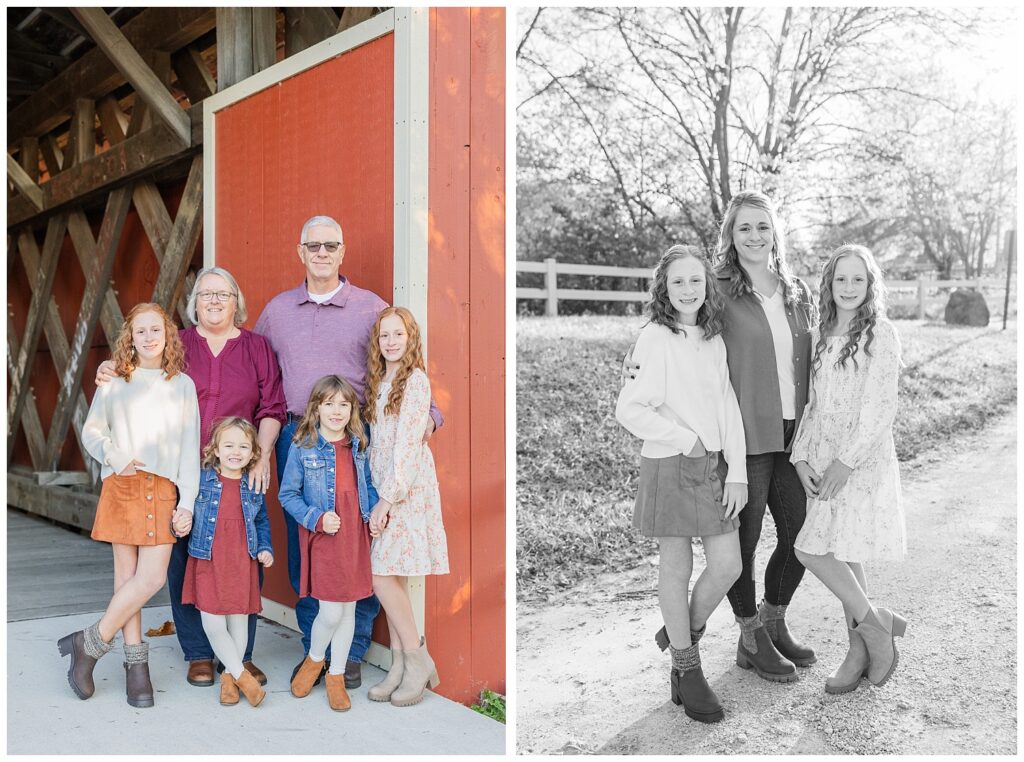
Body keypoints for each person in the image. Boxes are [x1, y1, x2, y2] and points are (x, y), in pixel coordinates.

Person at [625, 191, 817, 681]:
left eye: (763, 227)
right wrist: (635, 363)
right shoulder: (720, 288)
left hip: (795, 432)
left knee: (801, 534)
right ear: (730, 235)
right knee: (741, 544)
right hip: (744, 435)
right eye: (743, 228)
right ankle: (749, 636)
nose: (754, 236)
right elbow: (677, 326)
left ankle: (770, 623)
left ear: (776, 233)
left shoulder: (797, 291)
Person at [254, 215, 443, 689]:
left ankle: (352, 651)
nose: (321, 253)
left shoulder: (369, 309)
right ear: (300, 252)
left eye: (330, 245)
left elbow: (405, 372)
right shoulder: (277, 311)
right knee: (309, 545)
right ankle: (313, 652)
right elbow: (257, 373)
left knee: (360, 549)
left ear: (342, 252)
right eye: (312, 245)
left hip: (357, 440)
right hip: (301, 437)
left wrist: (428, 420)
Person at [95, 267, 286, 689]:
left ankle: (240, 655)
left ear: (237, 301)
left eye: (223, 294)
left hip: (239, 467)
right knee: (185, 559)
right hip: (182, 468)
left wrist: (262, 456)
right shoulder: (176, 343)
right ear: (193, 304)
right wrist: (110, 367)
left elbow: (272, 407)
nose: (214, 301)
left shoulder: (257, 348)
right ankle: (199, 652)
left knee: (243, 557)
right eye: (205, 295)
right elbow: (137, 369)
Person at [616, 246, 747, 723]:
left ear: (707, 285)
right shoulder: (654, 337)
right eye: (678, 282)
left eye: (696, 280)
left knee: (727, 565)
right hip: (671, 463)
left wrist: (737, 471)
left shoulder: (713, 338)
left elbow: (728, 403)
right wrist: (685, 439)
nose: (688, 289)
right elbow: (629, 409)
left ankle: (681, 633)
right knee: (675, 566)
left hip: (713, 466)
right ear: (663, 288)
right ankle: (688, 670)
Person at [59, 303, 200, 708]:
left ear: (168, 335)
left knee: (150, 578)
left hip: (164, 487)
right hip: (123, 483)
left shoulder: (182, 385)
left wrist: (186, 502)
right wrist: (116, 456)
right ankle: (136, 667)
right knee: (128, 580)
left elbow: (190, 448)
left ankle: (88, 643)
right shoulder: (116, 380)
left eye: (157, 330)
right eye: (141, 331)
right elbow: (92, 431)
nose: (150, 337)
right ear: (131, 338)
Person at [790, 244, 907, 693]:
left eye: (859, 279)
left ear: (870, 284)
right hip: (822, 455)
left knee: (812, 550)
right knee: (842, 551)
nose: (850, 287)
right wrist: (801, 456)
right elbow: (813, 406)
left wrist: (845, 462)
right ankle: (861, 646)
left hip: (860, 460)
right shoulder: (820, 335)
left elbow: (880, 410)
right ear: (830, 283)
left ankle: (874, 628)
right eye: (842, 279)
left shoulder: (880, 333)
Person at [365, 307, 449, 707]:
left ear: (411, 338)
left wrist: (386, 498)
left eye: (398, 334)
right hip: (385, 485)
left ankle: (417, 658)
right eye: (384, 336)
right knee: (391, 574)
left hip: (406, 488)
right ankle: (399, 665)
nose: (391, 342)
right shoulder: (380, 381)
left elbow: (406, 447)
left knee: (380, 575)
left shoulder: (415, 382)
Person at [281, 376, 376, 712]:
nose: (336, 411)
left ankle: (336, 675)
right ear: (316, 408)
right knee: (331, 609)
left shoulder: (359, 444)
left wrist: (376, 513)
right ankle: (315, 659)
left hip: (355, 534)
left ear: (352, 410)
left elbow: (368, 486)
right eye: (329, 403)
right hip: (325, 536)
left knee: (348, 608)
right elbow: (287, 495)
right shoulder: (303, 445)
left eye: (344, 404)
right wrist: (316, 518)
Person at [182, 417, 274, 708]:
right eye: (229, 445)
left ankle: (229, 681)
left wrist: (265, 548)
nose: (236, 451)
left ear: (253, 452)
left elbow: (261, 520)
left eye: (244, 446)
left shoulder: (253, 483)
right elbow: (185, 507)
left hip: (241, 559)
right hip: (209, 558)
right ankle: (242, 675)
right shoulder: (202, 478)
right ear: (216, 449)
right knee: (212, 621)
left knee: (239, 619)